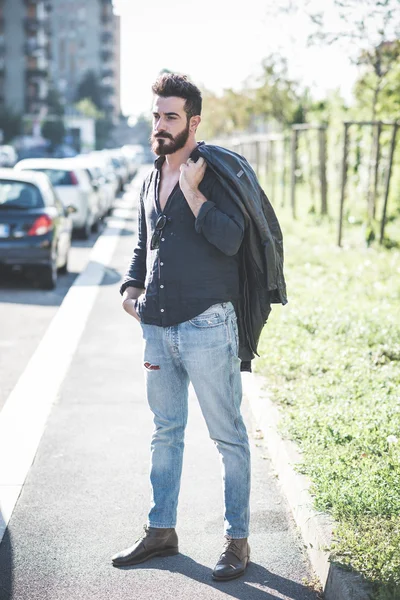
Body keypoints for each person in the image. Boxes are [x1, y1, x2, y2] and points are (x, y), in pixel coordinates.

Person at [112, 73, 251, 581]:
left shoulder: (212, 173)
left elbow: (232, 240)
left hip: (209, 325)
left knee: (228, 437)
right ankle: (161, 530)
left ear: (193, 121)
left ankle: (237, 542)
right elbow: (142, 241)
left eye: (171, 117)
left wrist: (194, 194)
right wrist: (130, 290)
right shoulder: (151, 174)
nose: (160, 125)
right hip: (157, 327)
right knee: (165, 432)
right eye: (156, 116)